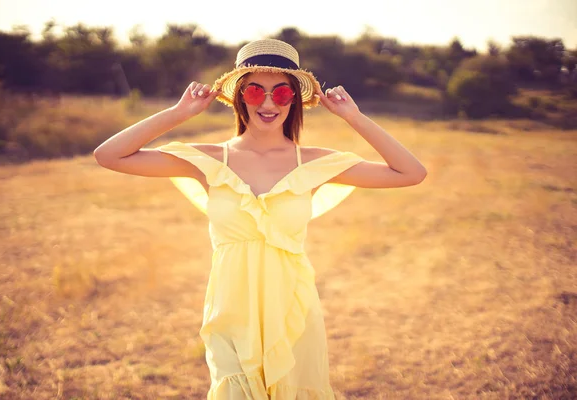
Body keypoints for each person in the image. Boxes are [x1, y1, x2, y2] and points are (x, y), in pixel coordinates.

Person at [94, 38, 427, 400]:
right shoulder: (210, 160)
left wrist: (354, 118)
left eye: (281, 93)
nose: (268, 103)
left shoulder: (313, 162)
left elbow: (411, 173)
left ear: (294, 100)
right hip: (230, 309)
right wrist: (178, 114)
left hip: (292, 312)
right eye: (255, 91)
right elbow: (109, 155)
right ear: (239, 97)